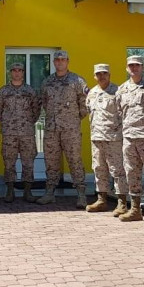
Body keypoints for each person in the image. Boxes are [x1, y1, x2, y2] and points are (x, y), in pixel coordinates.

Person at [38, 50, 88, 208]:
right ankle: (49, 193)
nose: (59, 62)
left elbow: (85, 104)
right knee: (51, 161)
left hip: (70, 129)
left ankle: (81, 194)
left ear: (68, 61)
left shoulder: (77, 81)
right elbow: (44, 103)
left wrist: (72, 119)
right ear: (53, 62)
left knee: (75, 160)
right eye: (57, 60)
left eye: (62, 59)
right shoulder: (47, 82)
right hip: (52, 128)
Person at [115, 55, 144, 222]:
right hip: (129, 137)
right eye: (131, 66)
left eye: (137, 65)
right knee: (131, 173)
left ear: (143, 67)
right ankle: (135, 209)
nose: (134, 68)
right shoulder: (122, 89)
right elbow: (120, 111)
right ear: (127, 68)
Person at [0, 62, 40, 203]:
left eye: (20, 70)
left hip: (27, 132)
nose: (17, 73)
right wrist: (7, 122)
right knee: (9, 162)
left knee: (28, 162)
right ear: (10, 72)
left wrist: (27, 122)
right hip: (9, 133)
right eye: (14, 70)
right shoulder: (3, 91)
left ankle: (27, 191)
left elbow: (36, 110)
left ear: (23, 72)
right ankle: (10, 191)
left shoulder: (30, 91)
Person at [85, 64, 126, 215]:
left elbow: (125, 113)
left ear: (109, 75)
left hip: (113, 138)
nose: (101, 76)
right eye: (98, 74)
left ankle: (122, 201)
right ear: (94, 76)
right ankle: (102, 199)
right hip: (96, 137)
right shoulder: (92, 93)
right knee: (99, 168)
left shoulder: (118, 92)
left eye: (104, 73)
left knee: (117, 170)